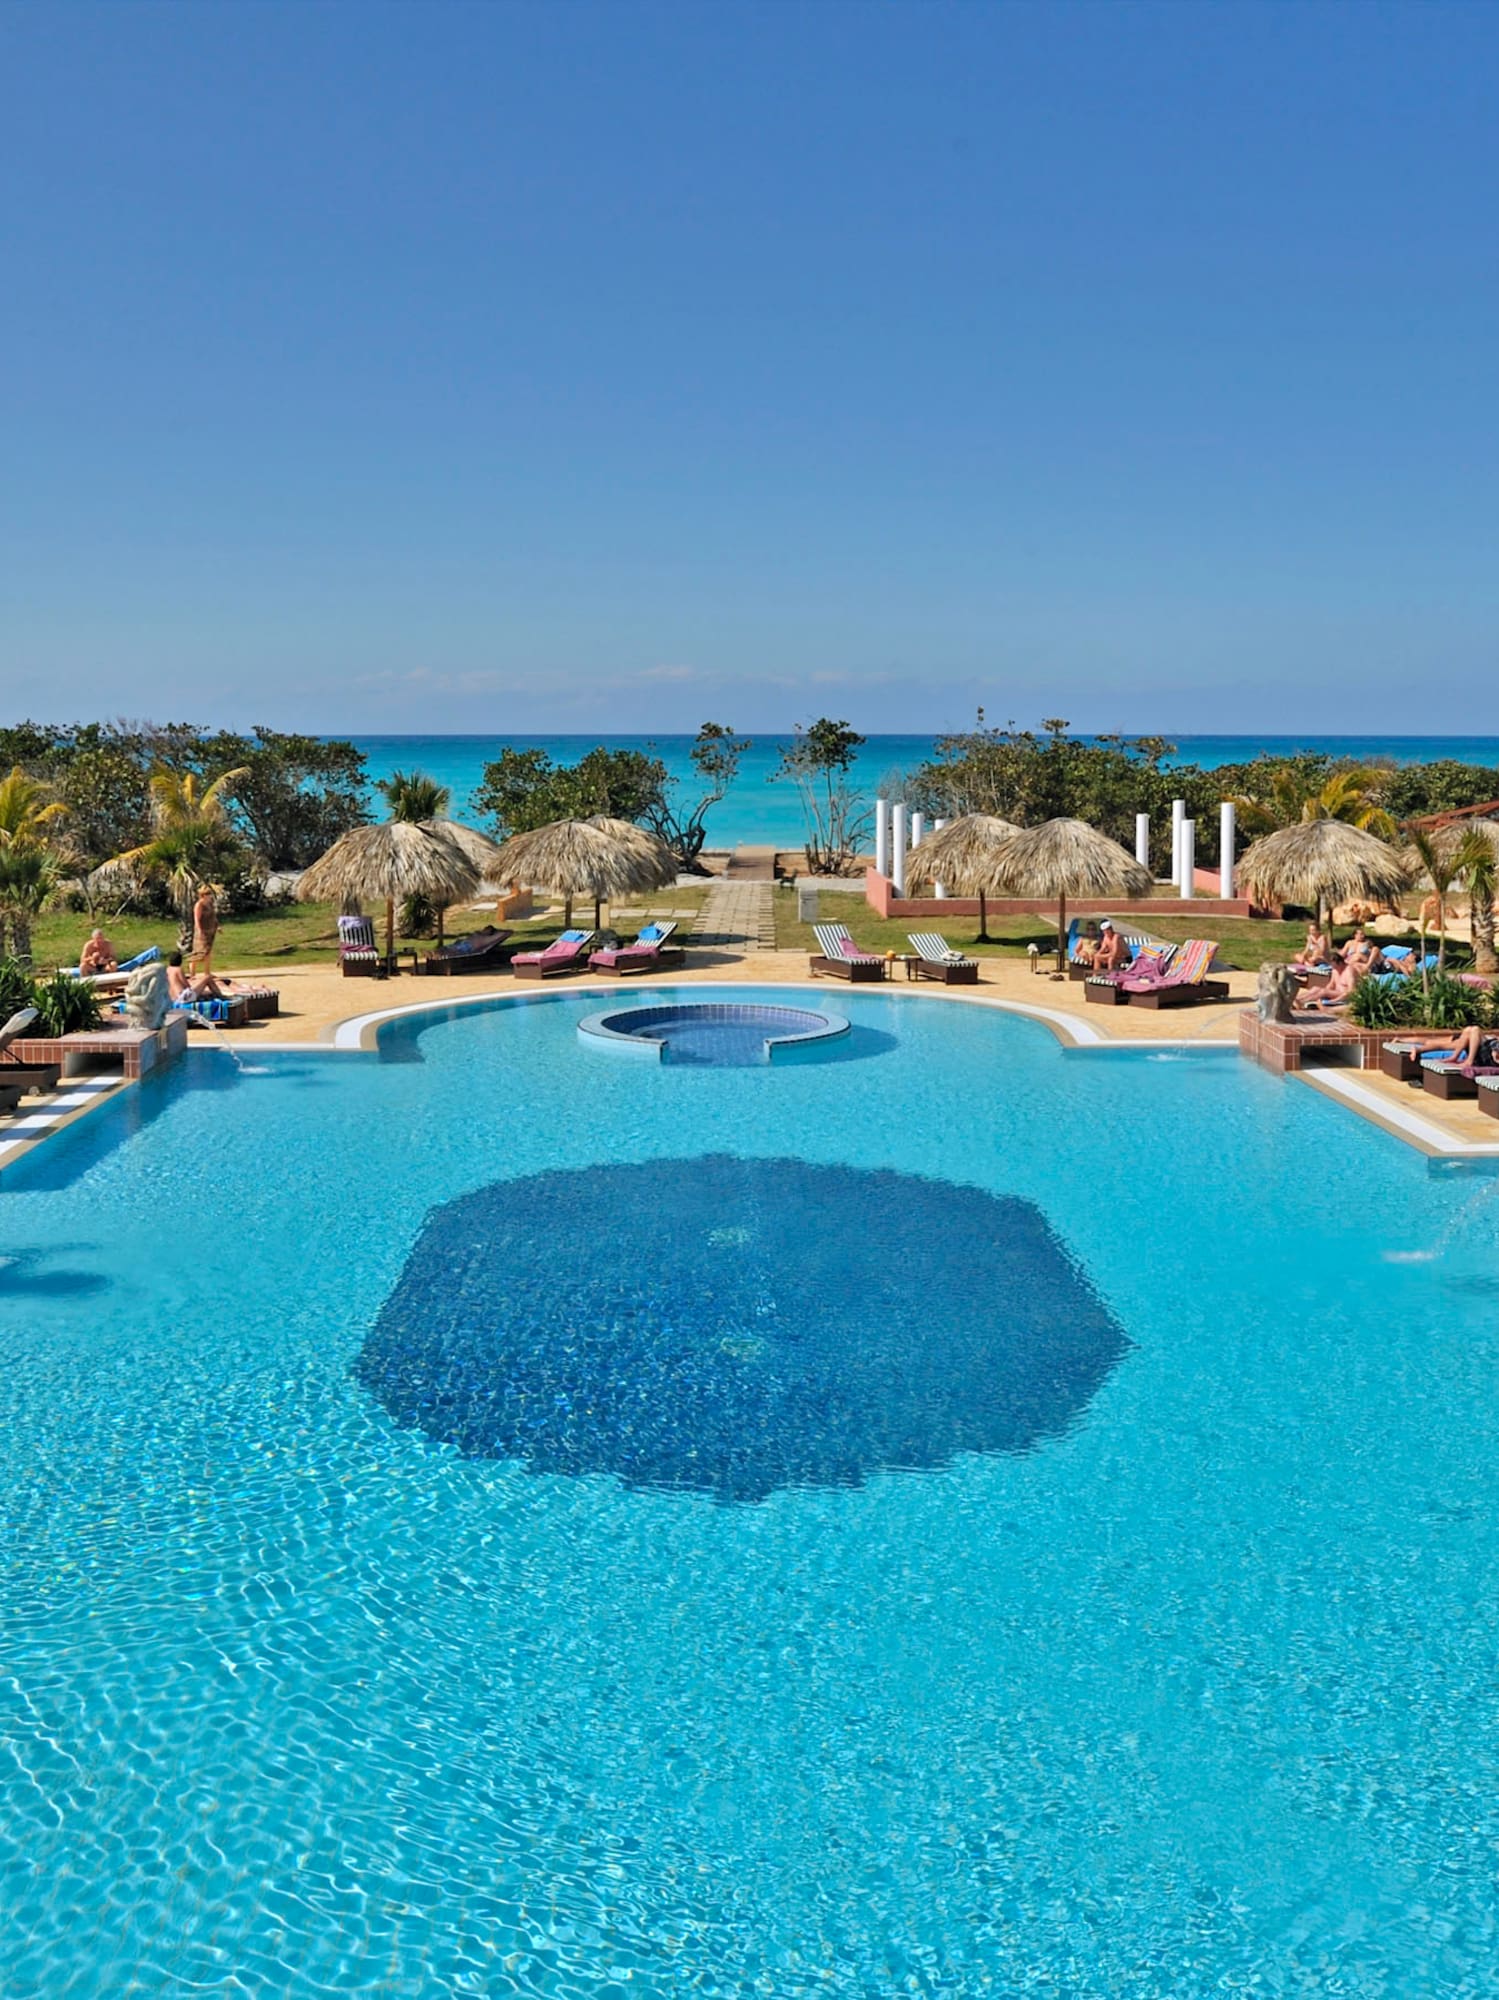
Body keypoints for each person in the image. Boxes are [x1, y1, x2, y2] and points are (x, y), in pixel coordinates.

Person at [166, 951, 238, 1004]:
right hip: (184, 998)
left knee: (204, 991)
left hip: (173, 999)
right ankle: (221, 996)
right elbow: (186, 986)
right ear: (180, 961)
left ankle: (215, 994)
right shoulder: (178, 969)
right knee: (207, 977)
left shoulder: (167, 970)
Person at [191, 887, 219, 974]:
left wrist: (217, 926)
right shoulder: (199, 905)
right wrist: (199, 930)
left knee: (208, 952)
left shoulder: (210, 904)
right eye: (208, 894)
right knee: (198, 952)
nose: (210, 896)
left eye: (210, 894)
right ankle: (192, 973)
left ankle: (207, 972)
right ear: (203, 895)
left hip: (210, 930)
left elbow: (214, 917)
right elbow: (197, 919)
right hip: (202, 931)